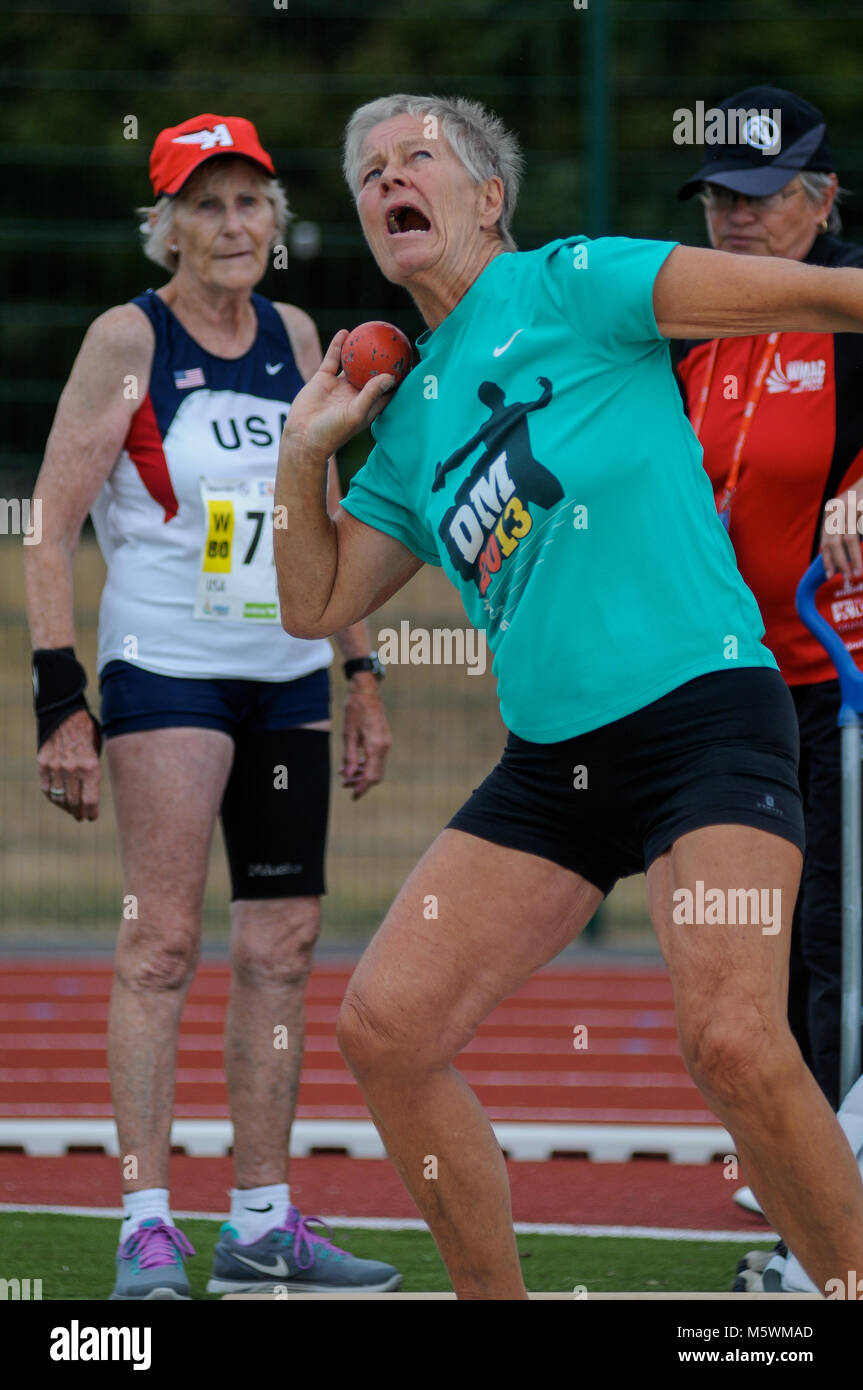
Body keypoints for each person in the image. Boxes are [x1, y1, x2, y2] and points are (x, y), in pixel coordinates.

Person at [272, 92, 863, 1301]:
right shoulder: (411, 415)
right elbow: (315, 600)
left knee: (735, 1042)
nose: (388, 176)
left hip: (704, 715)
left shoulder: (578, 281)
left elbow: (828, 295)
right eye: (368, 170)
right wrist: (301, 452)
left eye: (415, 157)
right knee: (384, 1030)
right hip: (554, 770)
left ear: (487, 198)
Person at [24, 113, 400, 1299]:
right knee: (161, 942)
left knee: (282, 947)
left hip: (285, 674)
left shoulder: (295, 334)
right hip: (165, 669)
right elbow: (51, 518)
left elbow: (318, 510)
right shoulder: (123, 339)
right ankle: (145, 1221)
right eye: (206, 205)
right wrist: (58, 697)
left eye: (249, 203)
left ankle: (259, 1218)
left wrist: (359, 668)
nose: (233, 225)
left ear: (273, 219)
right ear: (168, 226)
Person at [675, 87, 863, 1234]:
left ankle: (831, 1178)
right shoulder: (687, 317)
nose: (733, 223)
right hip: (724, 688)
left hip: (840, 681)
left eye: (755, 197)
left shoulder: (849, 300)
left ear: (819, 196)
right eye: (715, 199)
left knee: (841, 935)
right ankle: (797, 1164)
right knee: (760, 940)